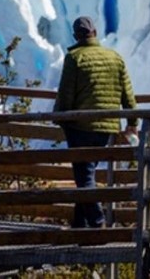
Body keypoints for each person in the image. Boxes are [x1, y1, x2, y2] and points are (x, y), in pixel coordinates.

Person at [53, 16, 138, 228]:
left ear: (75, 36)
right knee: (86, 174)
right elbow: (128, 96)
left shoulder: (74, 58)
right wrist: (132, 123)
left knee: (84, 177)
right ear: (96, 32)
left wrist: (59, 118)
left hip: (80, 126)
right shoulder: (115, 57)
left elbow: (66, 94)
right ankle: (79, 227)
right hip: (107, 128)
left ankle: (97, 221)